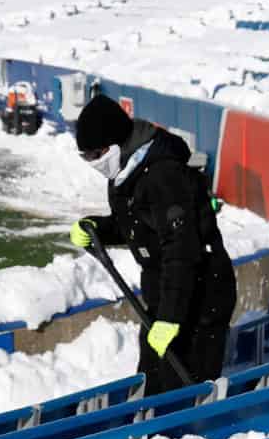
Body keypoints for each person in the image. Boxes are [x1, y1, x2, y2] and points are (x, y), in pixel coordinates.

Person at [69, 93, 237, 395]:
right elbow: (138, 225)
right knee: (152, 386)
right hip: (167, 296)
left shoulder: (164, 175)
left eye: (97, 154)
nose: (94, 163)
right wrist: (98, 228)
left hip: (201, 297)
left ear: (117, 142)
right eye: (87, 157)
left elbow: (181, 250)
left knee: (184, 393)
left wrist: (170, 319)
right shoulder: (125, 172)